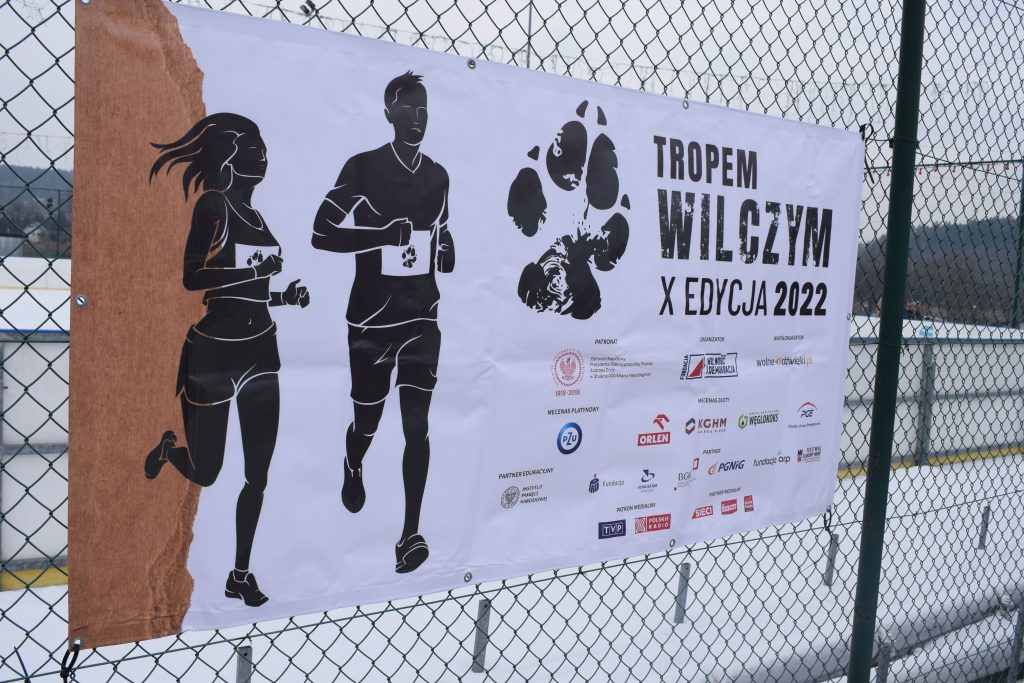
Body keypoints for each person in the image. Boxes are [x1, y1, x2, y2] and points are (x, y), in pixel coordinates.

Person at [143, 113, 310, 607]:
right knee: (209, 471)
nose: (263, 156)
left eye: (263, 148)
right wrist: (253, 272)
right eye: (253, 148)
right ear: (230, 159)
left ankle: (240, 573)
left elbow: (248, 292)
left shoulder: (257, 216)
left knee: (258, 474)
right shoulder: (213, 205)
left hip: (261, 350)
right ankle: (170, 450)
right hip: (213, 352)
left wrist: (283, 297)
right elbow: (193, 279)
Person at [311, 71, 454, 574]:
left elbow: (443, 233)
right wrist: (379, 235)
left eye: (424, 110)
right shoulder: (364, 167)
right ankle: (353, 462)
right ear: (389, 113)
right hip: (372, 321)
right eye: (408, 110)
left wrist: (445, 249)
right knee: (367, 421)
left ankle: (410, 534)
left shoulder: (439, 176)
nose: (417, 119)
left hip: (422, 317)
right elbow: (321, 232)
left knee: (418, 426)